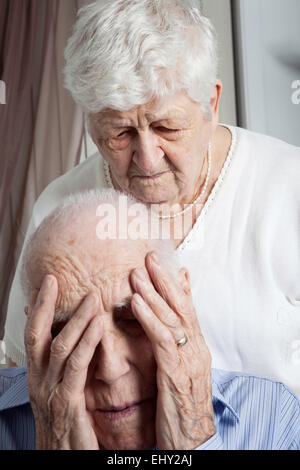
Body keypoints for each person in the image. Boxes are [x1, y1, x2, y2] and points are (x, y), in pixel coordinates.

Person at [3, 0, 300, 401]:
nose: (147, 158)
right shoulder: (59, 207)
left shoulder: (288, 186)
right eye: (120, 133)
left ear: (211, 104)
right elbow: (22, 371)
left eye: (167, 127)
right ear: (91, 125)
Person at [0, 190, 299, 451]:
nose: (111, 370)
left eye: (135, 320)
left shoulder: (274, 417)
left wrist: (195, 441)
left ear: (182, 300)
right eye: (70, 332)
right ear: (36, 332)